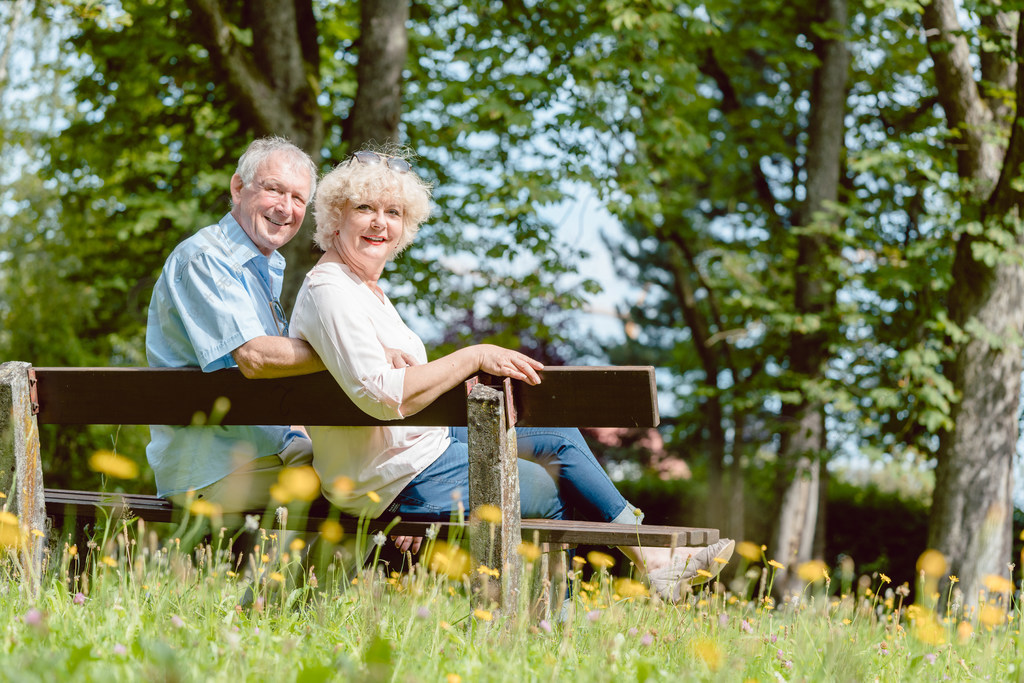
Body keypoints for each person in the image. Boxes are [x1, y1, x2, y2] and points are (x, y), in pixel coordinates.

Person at [288, 148, 734, 599]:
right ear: (335, 216)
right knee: (547, 484)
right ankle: (542, 623)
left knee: (558, 438)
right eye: (365, 208)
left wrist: (434, 374)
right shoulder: (332, 292)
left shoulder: (363, 290)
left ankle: (653, 561)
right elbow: (383, 396)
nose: (380, 222)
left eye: (393, 212)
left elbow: (388, 383)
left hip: (412, 450)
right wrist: (473, 356)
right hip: (392, 473)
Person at [145, 137, 327, 514]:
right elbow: (256, 358)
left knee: (383, 470)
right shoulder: (205, 258)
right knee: (365, 484)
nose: (286, 208)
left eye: (298, 198)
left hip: (258, 454)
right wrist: (353, 354)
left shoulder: (263, 268)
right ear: (238, 187)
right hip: (214, 472)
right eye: (275, 189)